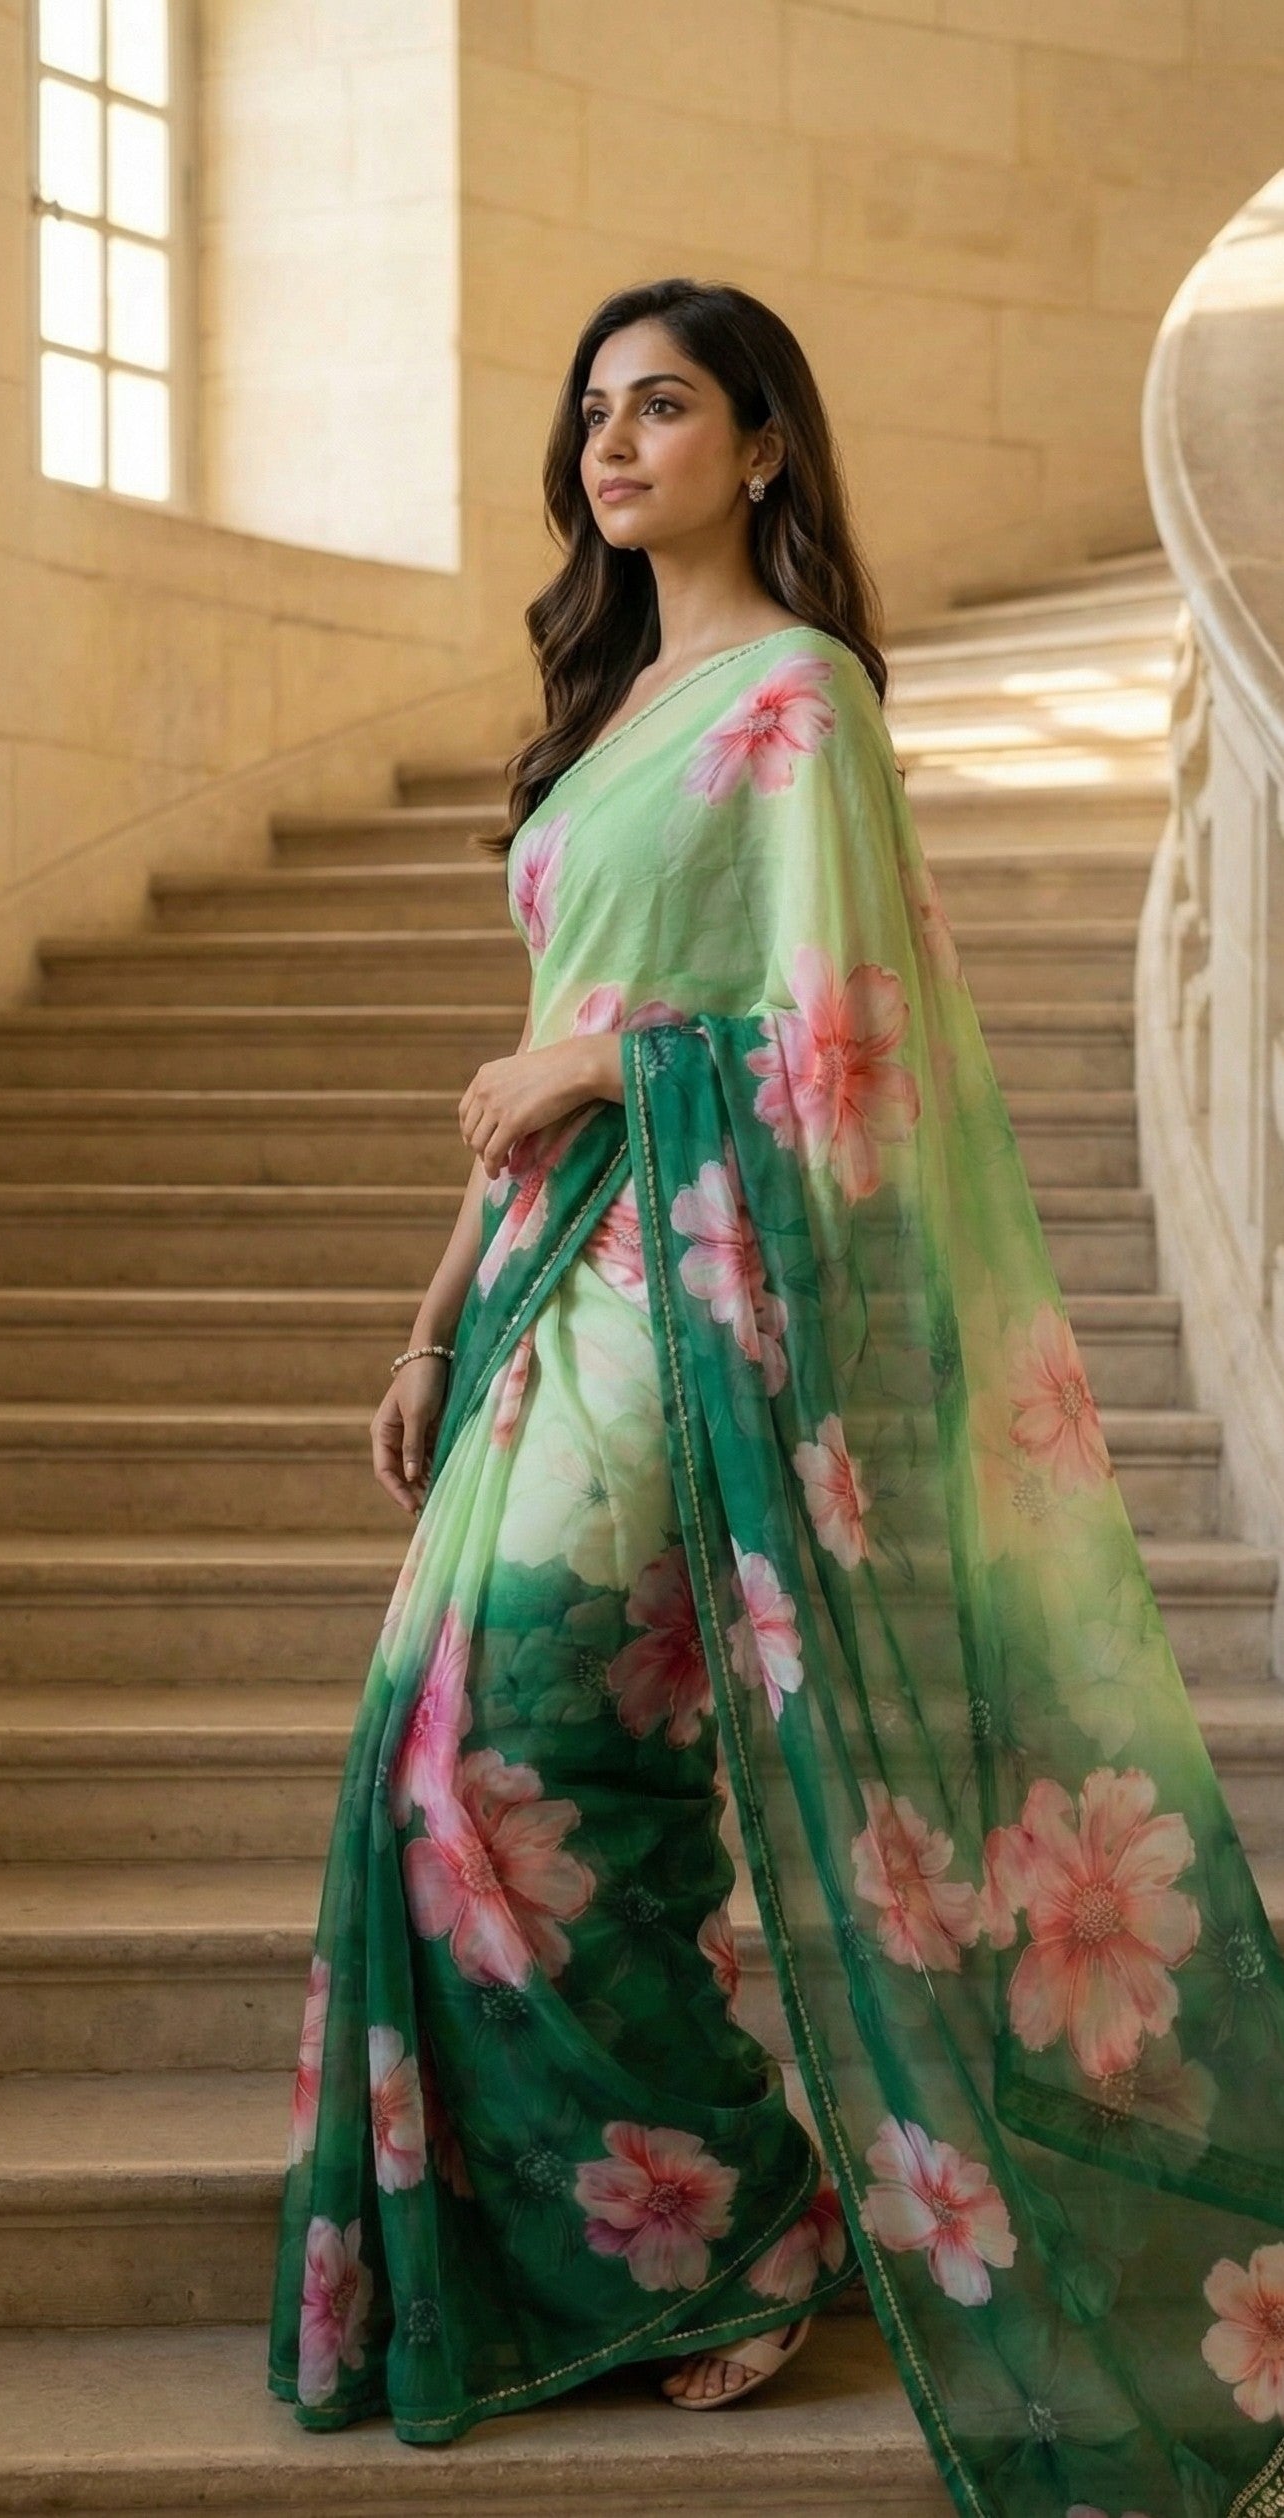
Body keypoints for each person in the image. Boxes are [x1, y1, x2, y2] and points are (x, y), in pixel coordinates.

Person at [267, 280, 1284, 2511]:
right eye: (594, 412)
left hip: (681, 1280)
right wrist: (436, 1313)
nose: (614, 443)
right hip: (544, 1271)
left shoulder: (799, 702)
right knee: (435, 1757)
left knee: (525, 1752)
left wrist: (614, 1065)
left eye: (664, 405)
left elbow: (844, 1057)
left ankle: (741, 2221)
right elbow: (533, 1052)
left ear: (761, 449)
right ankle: (642, 2232)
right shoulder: (615, 709)